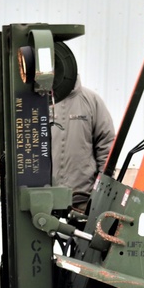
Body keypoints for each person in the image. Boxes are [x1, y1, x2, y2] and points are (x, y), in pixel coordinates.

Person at [51, 74, 115, 208]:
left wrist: (104, 185)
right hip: (47, 195)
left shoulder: (92, 100)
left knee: (83, 229)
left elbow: (106, 143)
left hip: (83, 195)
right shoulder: (40, 102)